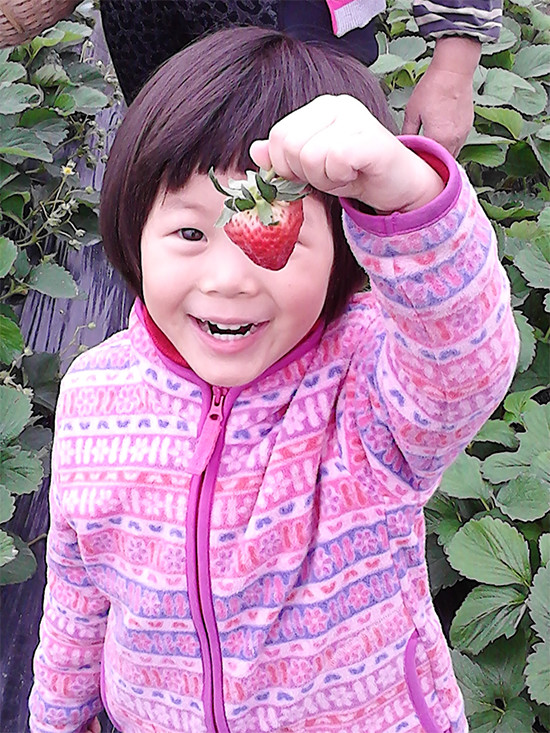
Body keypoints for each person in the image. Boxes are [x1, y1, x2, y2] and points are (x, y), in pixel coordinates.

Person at [29, 26, 518, 733]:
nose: (228, 281)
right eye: (190, 234)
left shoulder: (367, 388)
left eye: (276, 240)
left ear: (344, 256)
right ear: (132, 229)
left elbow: (467, 356)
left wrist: (403, 194)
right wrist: (58, 717)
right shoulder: (94, 394)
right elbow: (77, 590)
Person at [99, 0, 503, 156]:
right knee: (173, 165)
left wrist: (453, 65)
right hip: (145, 14)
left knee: (304, 185)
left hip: (294, 12)